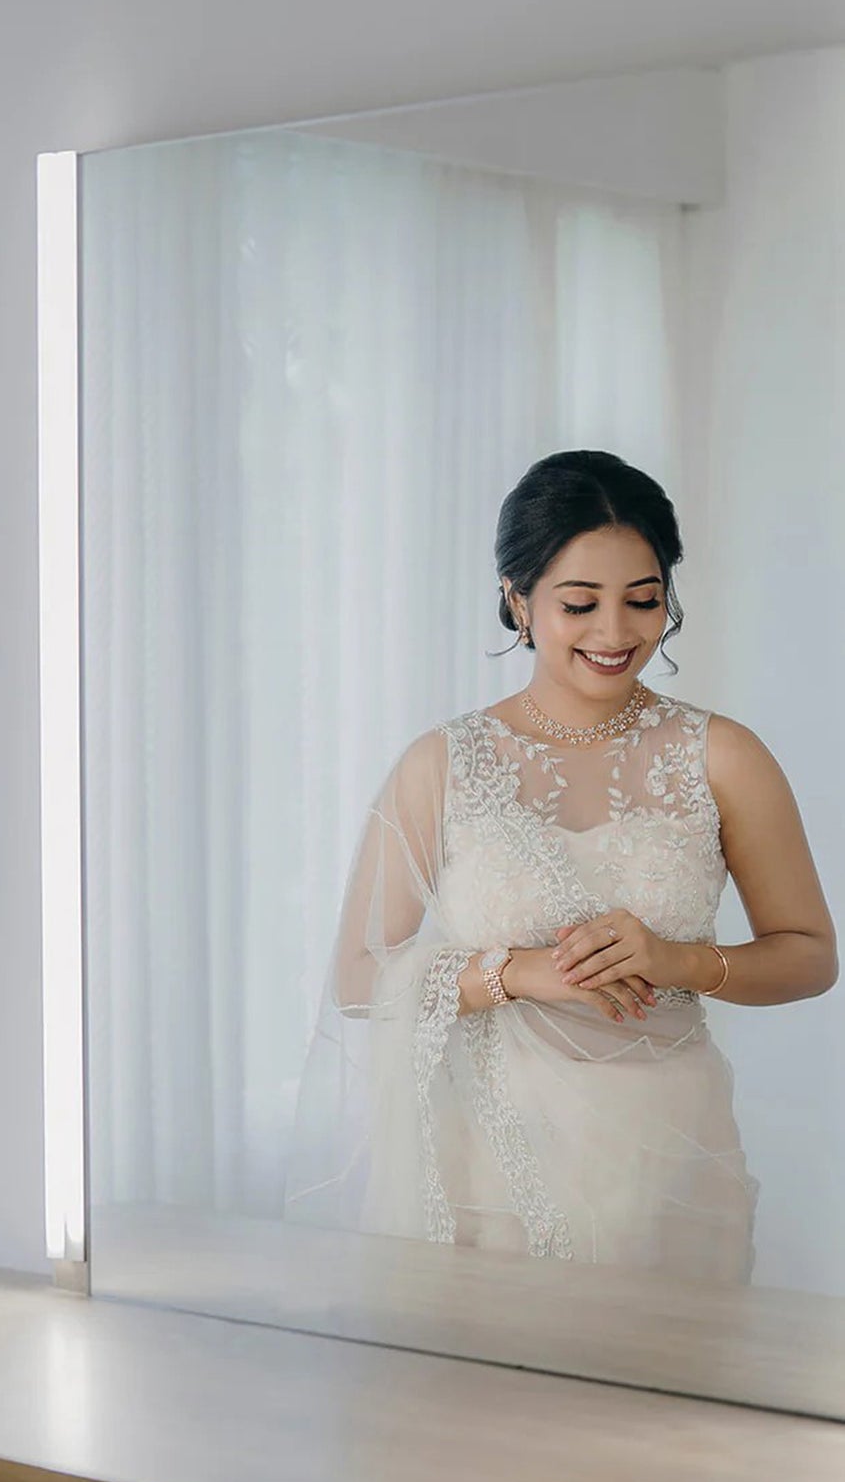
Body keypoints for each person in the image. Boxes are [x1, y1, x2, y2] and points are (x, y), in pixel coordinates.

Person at [290, 449, 837, 1281]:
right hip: (489, 1161)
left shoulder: (720, 755)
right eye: (579, 603)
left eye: (643, 600)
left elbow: (809, 954)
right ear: (516, 598)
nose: (615, 633)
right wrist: (515, 973)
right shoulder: (443, 763)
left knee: (664, 1399)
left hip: (672, 1162)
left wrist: (677, 959)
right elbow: (357, 980)